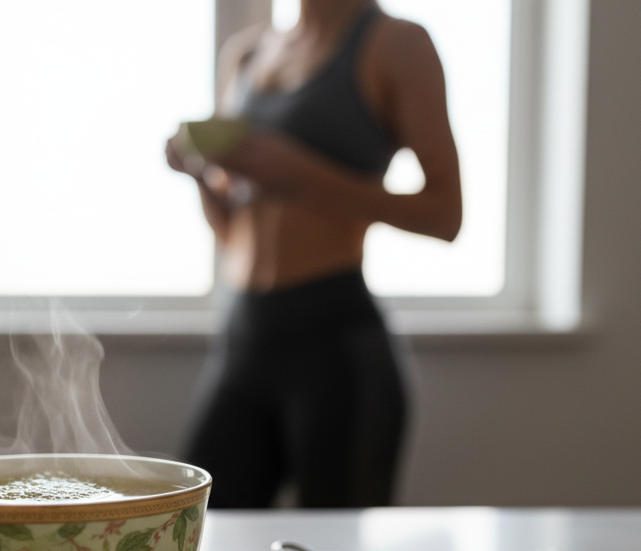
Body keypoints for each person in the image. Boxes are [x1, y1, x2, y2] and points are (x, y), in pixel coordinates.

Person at [166, 0, 462, 508]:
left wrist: (303, 176)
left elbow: (445, 214)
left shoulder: (396, 43)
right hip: (244, 336)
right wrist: (199, 174)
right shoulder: (246, 54)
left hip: (333, 344)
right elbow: (234, 230)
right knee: (198, 532)